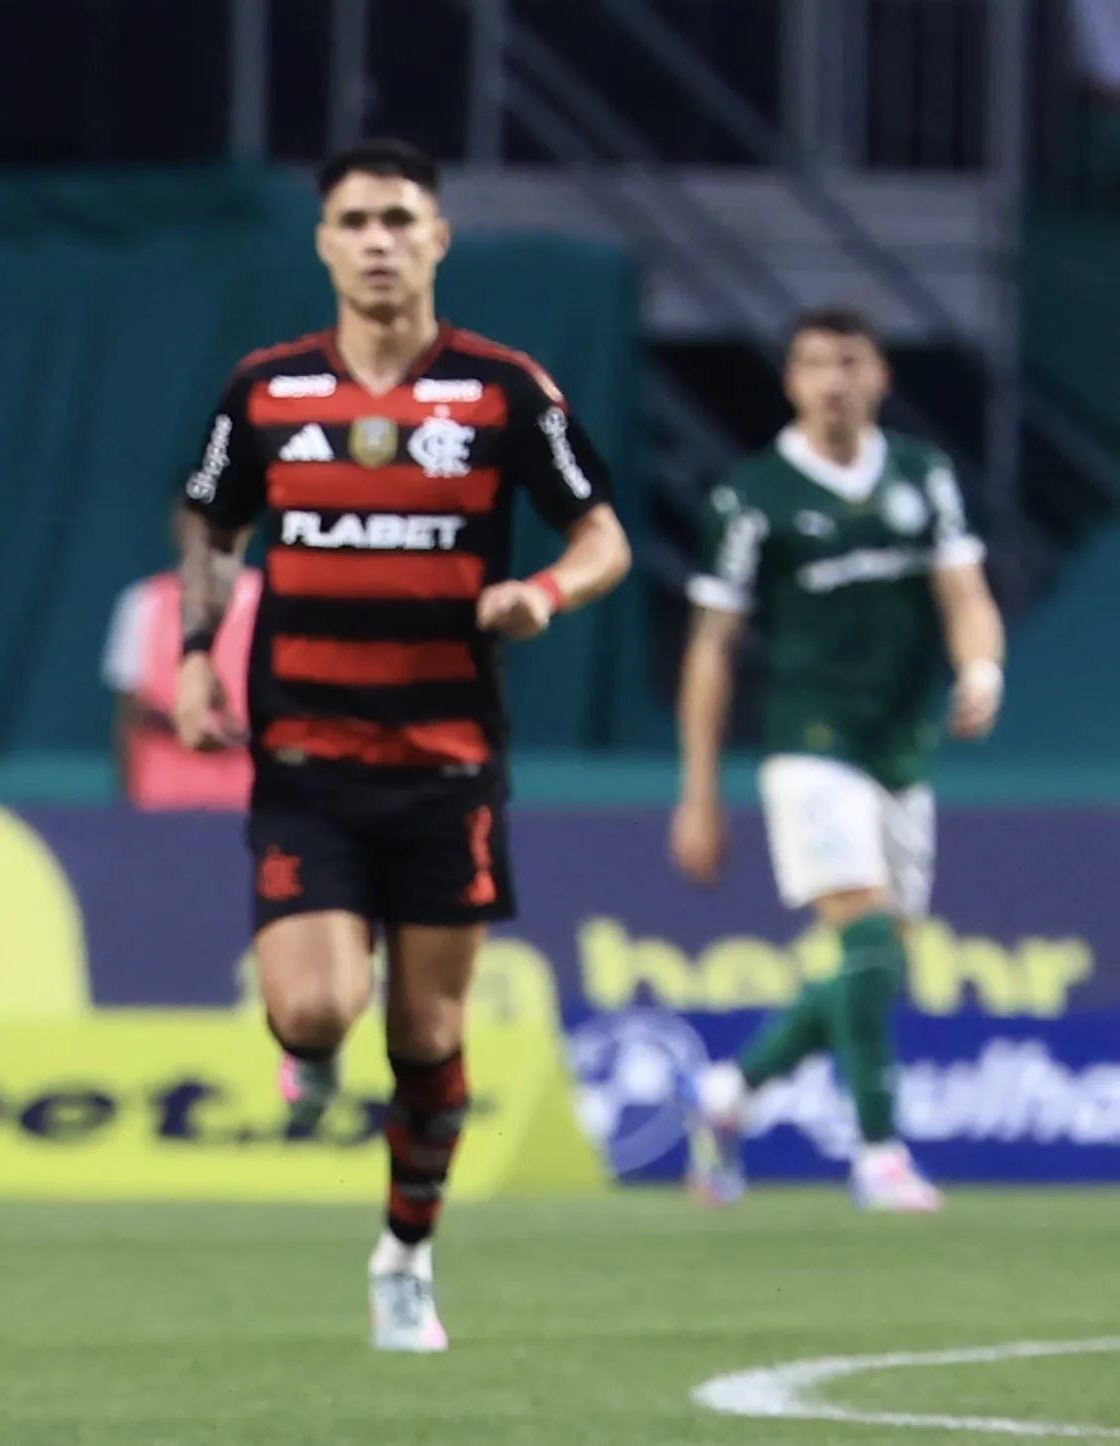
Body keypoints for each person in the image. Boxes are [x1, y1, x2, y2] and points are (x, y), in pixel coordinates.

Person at [172, 138, 632, 1352]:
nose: (379, 240)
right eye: (357, 220)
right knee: (320, 1010)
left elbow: (603, 533)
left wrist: (549, 594)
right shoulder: (268, 392)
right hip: (308, 766)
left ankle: (406, 1256)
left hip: (448, 767)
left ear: (439, 238)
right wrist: (193, 651)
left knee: (427, 1036)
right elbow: (211, 525)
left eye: (401, 219)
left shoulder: (502, 390)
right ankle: (307, 1056)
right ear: (324, 242)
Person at [671, 307, 1002, 1214]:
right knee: (861, 937)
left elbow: (964, 590)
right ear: (789, 381)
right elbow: (711, 646)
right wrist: (697, 789)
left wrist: (980, 668)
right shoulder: (752, 497)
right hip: (807, 744)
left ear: (880, 376)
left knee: (878, 963)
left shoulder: (921, 476)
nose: (831, 380)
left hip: (901, 747)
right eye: (814, 364)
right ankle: (878, 1154)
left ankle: (728, 1096)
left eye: (849, 362)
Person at [103, 506, 263, 809]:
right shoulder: (142, 602)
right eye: (190, 517)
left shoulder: (270, 602)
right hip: (163, 801)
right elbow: (128, 714)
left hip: (250, 801)